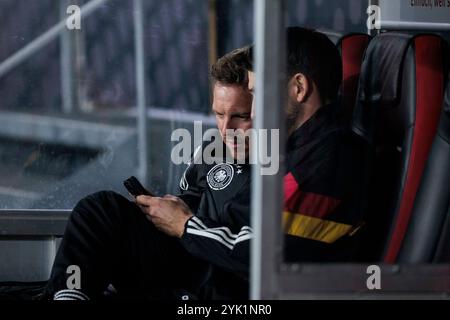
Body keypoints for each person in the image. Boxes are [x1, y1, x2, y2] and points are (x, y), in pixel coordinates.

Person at [42, 48, 254, 300]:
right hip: (184, 258)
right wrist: (164, 209)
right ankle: (69, 296)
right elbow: (192, 198)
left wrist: (187, 225)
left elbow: (256, 251)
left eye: (240, 116)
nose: (226, 128)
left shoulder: (286, 168)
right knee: (101, 208)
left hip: (224, 276)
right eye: (219, 114)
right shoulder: (210, 151)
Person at [247, 27, 363, 262]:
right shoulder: (300, 144)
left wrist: (185, 226)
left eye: (260, 93)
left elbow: (260, 247)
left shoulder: (331, 155)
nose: (252, 112)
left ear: (298, 87)